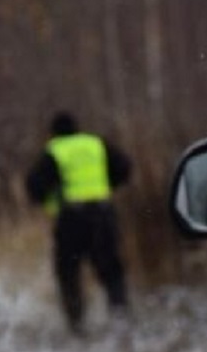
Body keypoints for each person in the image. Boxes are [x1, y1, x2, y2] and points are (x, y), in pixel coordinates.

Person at [25, 111, 131, 334]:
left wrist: (50, 200)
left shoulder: (55, 150)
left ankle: (76, 324)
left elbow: (34, 186)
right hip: (103, 215)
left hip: (72, 219)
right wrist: (105, 187)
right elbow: (125, 168)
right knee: (111, 268)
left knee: (68, 270)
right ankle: (120, 317)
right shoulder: (96, 143)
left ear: (54, 133)